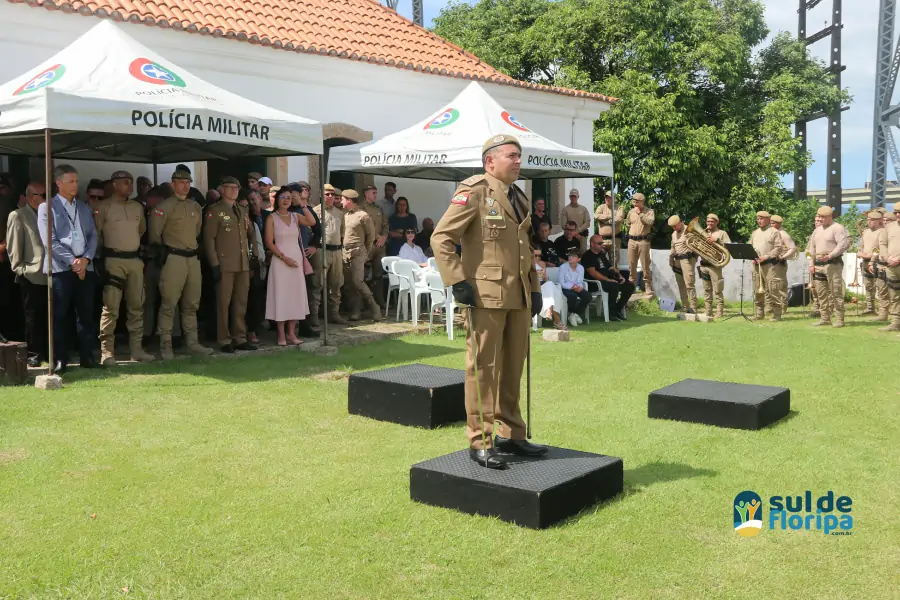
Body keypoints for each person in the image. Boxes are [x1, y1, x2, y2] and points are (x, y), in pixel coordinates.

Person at [432, 133, 545, 469]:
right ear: (490, 161)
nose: (518, 161)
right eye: (512, 155)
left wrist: (535, 287)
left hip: (518, 295)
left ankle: (511, 435)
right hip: (486, 295)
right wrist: (457, 281)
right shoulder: (474, 191)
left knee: (512, 368)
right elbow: (441, 238)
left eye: (520, 156)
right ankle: (479, 440)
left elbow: (525, 249)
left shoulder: (519, 197)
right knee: (483, 369)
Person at [38, 164, 99, 373]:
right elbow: (50, 241)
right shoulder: (47, 207)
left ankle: (87, 357)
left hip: (84, 266)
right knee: (60, 316)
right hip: (60, 269)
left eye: (76, 181)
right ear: (58, 183)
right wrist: (74, 262)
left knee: (86, 314)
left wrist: (86, 260)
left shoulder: (82, 206)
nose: (75, 185)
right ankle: (60, 359)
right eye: (70, 181)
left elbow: (92, 235)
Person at [149, 170, 212, 359]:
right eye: (181, 182)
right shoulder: (164, 207)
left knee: (192, 303)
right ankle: (166, 345)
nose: (185, 185)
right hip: (173, 257)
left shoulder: (195, 206)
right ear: (173, 183)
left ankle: (192, 342)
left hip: (192, 258)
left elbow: (197, 231)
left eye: (188, 182)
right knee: (169, 303)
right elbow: (154, 235)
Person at [93, 170, 155, 364]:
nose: (130, 186)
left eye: (131, 182)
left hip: (134, 261)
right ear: (114, 185)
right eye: (125, 182)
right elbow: (96, 235)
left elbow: (141, 230)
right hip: (113, 260)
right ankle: (107, 352)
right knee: (111, 307)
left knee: (137, 306)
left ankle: (136, 350)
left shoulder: (137, 207)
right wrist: (99, 261)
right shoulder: (103, 207)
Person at [203, 176, 263, 352]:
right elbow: (209, 239)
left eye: (236, 188)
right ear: (222, 190)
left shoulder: (242, 210)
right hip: (225, 264)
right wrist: (214, 263)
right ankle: (224, 339)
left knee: (241, 302)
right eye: (230, 187)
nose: (234, 191)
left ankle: (240, 337)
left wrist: (254, 256)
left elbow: (251, 232)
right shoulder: (215, 210)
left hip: (242, 264)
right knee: (223, 303)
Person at [6, 182, 48, 365]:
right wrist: (20, 269)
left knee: (51, 316)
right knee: (33, 317)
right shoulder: (18, 216)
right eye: (42, 195)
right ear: (31, 197)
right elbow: (13, 247)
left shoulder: (49, 214)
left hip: (52, 273)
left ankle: (49, 351)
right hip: (31, 273)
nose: (46, 198)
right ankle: (34, 353)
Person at [265, 187, 310, 345]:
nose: (286, 200)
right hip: (281, 260)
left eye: (289, 198)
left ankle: (291, 333)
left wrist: (302, 204)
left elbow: (312, 222)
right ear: (277, 199)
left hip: (296, 259)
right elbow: (269, 242)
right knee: (281, 296)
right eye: (283, 197)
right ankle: (281, 335)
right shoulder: (272, 218)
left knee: (294, 296)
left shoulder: (296, 216)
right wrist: (284, 258)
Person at [341, 190, 382, 321]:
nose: (340, 201)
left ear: (349, 200)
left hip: (358, 252)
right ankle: (355, 310)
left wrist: (366, 252)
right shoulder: (344, 215)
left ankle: (374, 307)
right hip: (344, 252)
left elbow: (371, 236)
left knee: (358, 281)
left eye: (342, 199)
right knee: (350, 284)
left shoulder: (363, 216)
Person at [807, 206, 850, 327]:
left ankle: (839, 319)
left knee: (836, 292)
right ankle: (825, 317)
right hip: (818, 265)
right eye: (819, 216)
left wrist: (830, 255)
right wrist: (811, 264)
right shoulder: (817, 230)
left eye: (822, 217)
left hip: (832, 264)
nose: (820, 219)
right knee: (821, 293)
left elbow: (843, 245)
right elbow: (812, 247)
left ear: (830, 217)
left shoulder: (837, 228)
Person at [313, 184, 346, 324]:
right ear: (321, 195)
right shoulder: (315, 211)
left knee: (336, 284)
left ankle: (334, 313)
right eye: (328, 194)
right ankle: (314, 314)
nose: (331, 197)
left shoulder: (339, 213)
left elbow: (342, 232)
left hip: (337, 251)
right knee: (317, 283)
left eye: (333, 194)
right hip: (322, 250)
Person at [581, 234, 634, 321]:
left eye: (602, 243)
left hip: (607, 279)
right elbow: (593, 273)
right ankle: (611, 314)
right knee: (614, 286)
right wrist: (609, 280)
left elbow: (610, 267)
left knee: (629, 286)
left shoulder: (601, 254)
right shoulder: (588, 256)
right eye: (599, 243)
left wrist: (619, 276)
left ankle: (617, 309)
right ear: (592, 244)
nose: (602, 245)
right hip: (594, 282)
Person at [749, 211, 784, 321]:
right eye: (758, 218)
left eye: (762, 218)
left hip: (770, 265)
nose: (759, 220)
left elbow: (779, 248)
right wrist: (752, 256)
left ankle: (777, 314)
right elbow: (750, 246)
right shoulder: (755, 232)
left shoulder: (774, 232)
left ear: (768, 219)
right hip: (757, 265)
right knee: (757, 289)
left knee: (773, 289)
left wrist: (767, 256)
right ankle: (760, 314)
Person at [699, 213, 731, 318]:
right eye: (708, 221)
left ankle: (719, 312)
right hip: (703, 265)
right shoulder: (702, 232)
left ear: (717, 222)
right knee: (707, 290)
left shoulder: (722, 233)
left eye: (712, 221)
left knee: (718, 290)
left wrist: (716, 240)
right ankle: (708, 311)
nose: (709, 223)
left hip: (715, 265)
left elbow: (729, 246)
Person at [362, 184, 389, 306]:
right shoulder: (361, 208)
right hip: (367, 245)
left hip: (379, 246)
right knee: (364, 275)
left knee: (378, 275)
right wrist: (375, 236)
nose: (375, 195)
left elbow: (385, 224)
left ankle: (380, 301)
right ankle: (365, 303)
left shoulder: (379, 208)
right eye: (373, 193)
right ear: (366, 194)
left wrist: (384, 236)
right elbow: (363, 226)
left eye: (376, 193)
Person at [860, 209, 889, 320]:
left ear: (878, 221)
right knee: (868, 285)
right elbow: (861, 245)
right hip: (865, 261)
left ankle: (883, 310)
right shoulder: (865, 232)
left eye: (872, 220)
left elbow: (880, 248)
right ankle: (870, 307)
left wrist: (871, 256)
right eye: (868, 220)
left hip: (877, 261)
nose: (869, 222)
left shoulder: (882, 232)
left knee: (880, 286)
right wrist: (860, 253)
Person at [876, 202, 900, 332]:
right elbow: (882, 244)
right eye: (896, 213)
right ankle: (896, 322)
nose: (898, 215)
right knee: (894, 294)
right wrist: (887, 258)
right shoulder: (889, 227)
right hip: (891, 266)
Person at [668, 215, 698, 314]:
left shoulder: (689, 230)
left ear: (680, 222)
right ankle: (685, 306)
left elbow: (697, 245)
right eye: (672, 227)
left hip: (687, 259)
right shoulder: (673, 234)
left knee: (689, 284)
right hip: (677, 260)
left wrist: (694, 258)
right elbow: (673, 246)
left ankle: (693, 307)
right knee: (681, 284)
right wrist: (671, 258)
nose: (674, 228)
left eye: (675, 226)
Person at [626, 192, 655, 295]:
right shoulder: (630, 212)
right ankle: (631, 287)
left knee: (645, 264)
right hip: (632, 241)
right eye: (633, 200)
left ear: (642, 202)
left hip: (644, 241)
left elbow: (650, 222)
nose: (634, 202)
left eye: (636, 201)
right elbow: (628, 224)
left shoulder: (649, 211)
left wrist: (640, 214)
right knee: (631, 264)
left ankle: (647, 286)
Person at [769, 215, 797, 319]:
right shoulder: (771, 233)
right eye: (770, 223)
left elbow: (792, 248)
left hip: (779, 263)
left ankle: (782, 307)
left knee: (779, 285)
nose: (771, 225)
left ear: (778, 224)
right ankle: (771, 308)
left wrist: (783, 257)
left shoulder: (782, 233)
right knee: (771, 287)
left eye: (773, 223)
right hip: (769, 263)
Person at [533, 248, 567, 329]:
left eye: (539, 256)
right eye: (535, 256)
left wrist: (543, 275)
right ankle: (557, 320)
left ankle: (549, 310)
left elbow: (546, 279)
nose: (538, 258)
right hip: (533, 287)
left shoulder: (541, 264)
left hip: (543, 285)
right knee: (552, 289)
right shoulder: (526, 264)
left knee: (550, 284)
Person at [558, 249, 591, 327]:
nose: (570, 257)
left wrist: (579, 287)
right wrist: (571, 287)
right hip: (565, 288)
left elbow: (580, 281)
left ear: (578, 259)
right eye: (569, 256)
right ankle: (572, 313)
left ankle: (575, 314)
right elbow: (561, 283)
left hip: (576, 287)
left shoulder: (581, 268)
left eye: (573, 256)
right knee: (572, 296)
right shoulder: (563, 267)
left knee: (588, 296)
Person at [594, 191, 624, 263]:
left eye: (609, 197)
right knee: (599, 260)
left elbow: (619, 218)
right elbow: (596, 216)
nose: (607, 199)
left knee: (614, 261)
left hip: (614, 239)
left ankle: (614, 274)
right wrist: (610, 216)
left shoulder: (619, 208)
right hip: (602, 240)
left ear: (614, 199)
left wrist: (607, 222)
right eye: (606, 197)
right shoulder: (601, 207)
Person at [560, 189, 591, 253]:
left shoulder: (583, 209)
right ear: (569, 197)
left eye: (575, 196)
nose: (573, 198)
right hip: (569, 236)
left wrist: (578, 231)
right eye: (572, 196)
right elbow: (563, 224)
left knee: (582, 253)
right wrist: (572, 233)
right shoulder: (565, 209)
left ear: (578, 197)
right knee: (570, 253)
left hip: (581, 236)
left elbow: (587, 222)